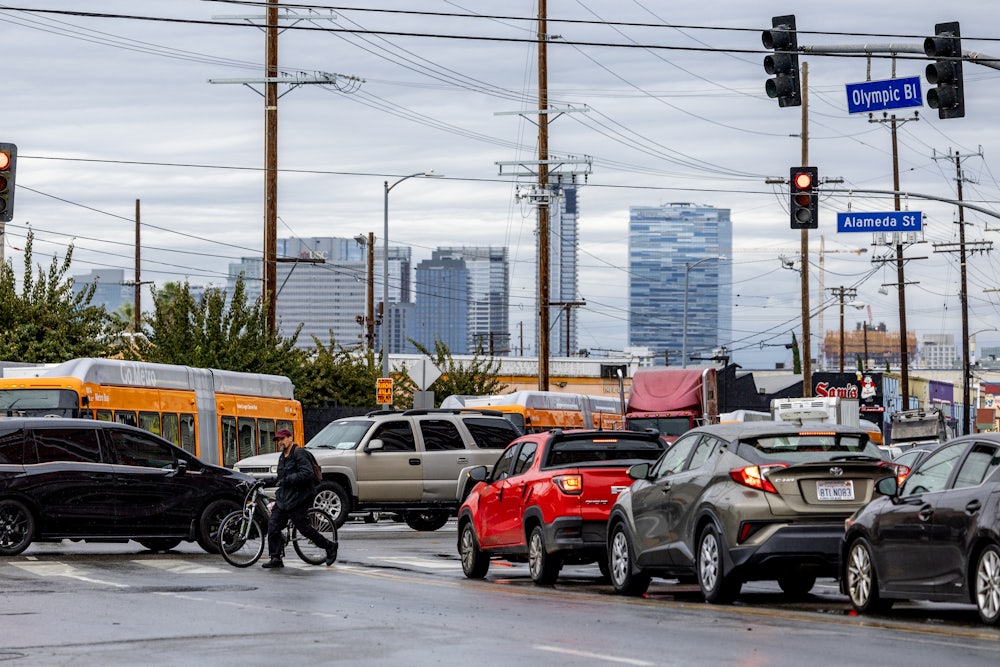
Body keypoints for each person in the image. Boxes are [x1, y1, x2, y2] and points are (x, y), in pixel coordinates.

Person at [262, 428, 338, 569]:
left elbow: (307, 473)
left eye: (282, 439)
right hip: (285, 497)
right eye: (278, 440)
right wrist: (265, 481)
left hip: (301, 497)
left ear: (290, 438)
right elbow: (281, 478)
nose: (280, 442)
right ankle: (276, 558)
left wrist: (288, 480)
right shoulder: (282, 457)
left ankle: (330, 546)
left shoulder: (299, 453)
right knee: (273, 525)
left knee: (303, 528)